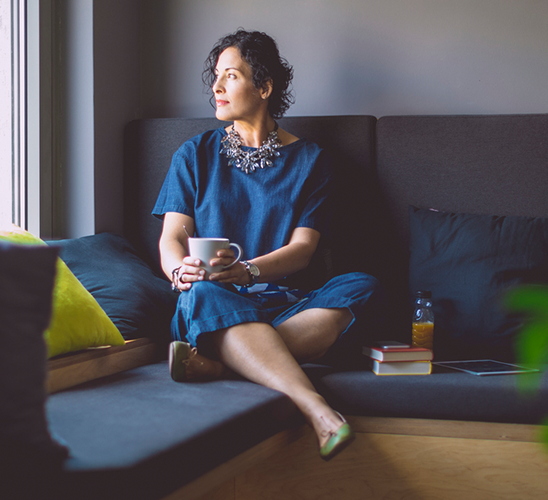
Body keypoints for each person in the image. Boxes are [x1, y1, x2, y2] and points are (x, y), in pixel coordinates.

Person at [152, 29, 381, 461]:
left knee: (361, 286)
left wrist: (249, 270)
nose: (216, 87)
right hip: (214, 300)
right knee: (202, 294)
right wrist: (178, 269)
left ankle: (222, 361)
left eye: (231, 76)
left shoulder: (312, 160)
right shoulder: (193, 154)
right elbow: (172, 236)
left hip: (285, 302)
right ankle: (318, 409)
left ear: (264, 86)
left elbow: (304, 249)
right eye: (215, 77)